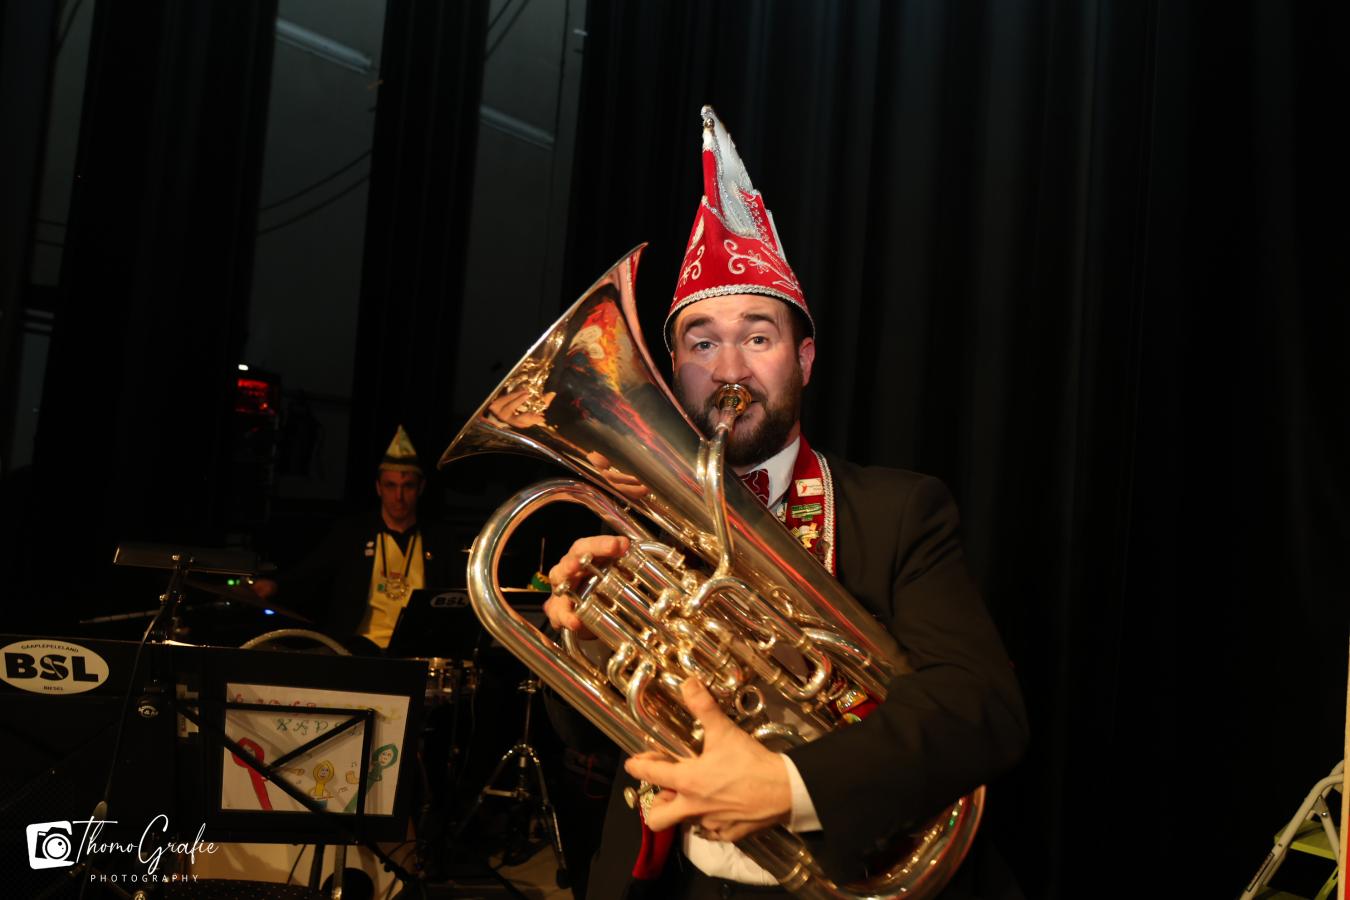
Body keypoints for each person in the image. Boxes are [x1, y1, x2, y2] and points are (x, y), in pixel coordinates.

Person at [543, 107, 1029, 898]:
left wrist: (790, 785)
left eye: (758, 336)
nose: (729, 367)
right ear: (670, 368)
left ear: (803, 359)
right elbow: (594, 737)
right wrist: (581, 648)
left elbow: (982, 707)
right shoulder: (635, 527)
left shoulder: (899, 511)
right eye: (702, 341)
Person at [251, 425, 459, 654]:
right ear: (378, 487)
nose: (398, 496)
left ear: (421, 488)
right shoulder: (353, 533)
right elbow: (311, 571)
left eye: (407, 486)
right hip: (356, 649)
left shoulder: (439, 539)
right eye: (391, 486)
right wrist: (275, 585)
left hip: (416, 652)